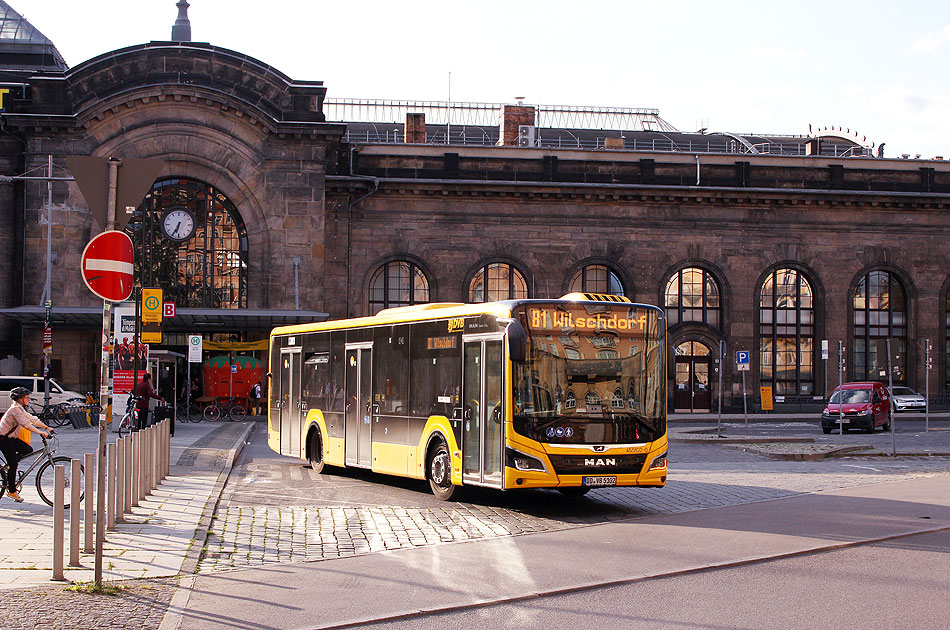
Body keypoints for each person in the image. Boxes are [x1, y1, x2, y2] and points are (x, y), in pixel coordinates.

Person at [0, 386, 53, 502]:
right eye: (26, 397)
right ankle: (12, 491)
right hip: (3, 439)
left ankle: (9, 465)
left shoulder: (20, 408)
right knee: (14, 464)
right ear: (19, 399)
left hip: (11, 438)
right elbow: (26, 424)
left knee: (28, 449)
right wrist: (41, 432)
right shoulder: (15, 409)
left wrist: (46, 427)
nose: (28, 399)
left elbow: (32, 419)